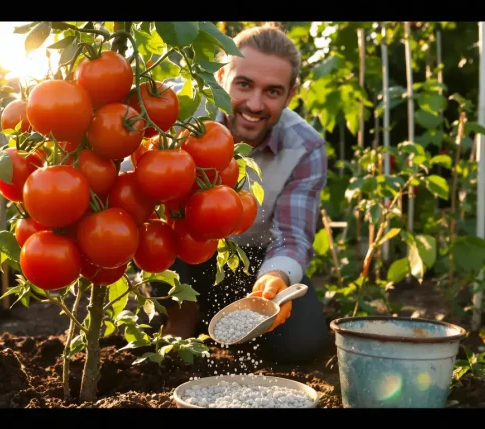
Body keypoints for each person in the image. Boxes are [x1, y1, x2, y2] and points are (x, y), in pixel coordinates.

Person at [121, 23, 330, 364]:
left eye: (273, 92)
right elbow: (127, 189)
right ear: (221, 76)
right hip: (181, 254)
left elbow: (292, 236)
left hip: (254, 263)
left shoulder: (304, 147)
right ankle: (181, 314)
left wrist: (274, 280)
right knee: (162, 236)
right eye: (244, 84)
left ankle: (225, 325)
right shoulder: (176, 110)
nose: (254, 103)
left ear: (290, 96)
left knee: (302, 345)